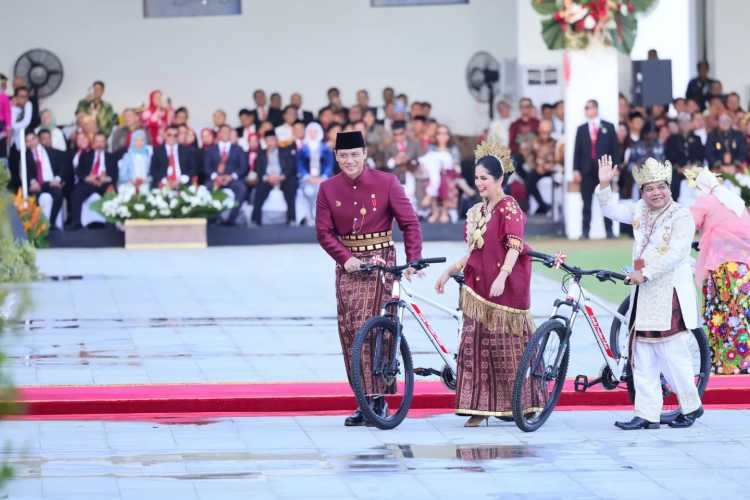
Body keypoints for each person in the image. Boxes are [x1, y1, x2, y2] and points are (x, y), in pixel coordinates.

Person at [316, 130, 422, 426]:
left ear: (364, 154)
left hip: (381, 264)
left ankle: (377, 400)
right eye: (343, 155)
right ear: (336, 157)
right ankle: (363, 399)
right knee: (349, 330)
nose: (349, 160)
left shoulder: (386, 182)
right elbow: (323, 233)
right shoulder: (327, 188)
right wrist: (345, 258)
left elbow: (409, 223)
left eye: (354, 154)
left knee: (370, 327)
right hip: (348, 265)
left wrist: (412, 259)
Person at [434, 140, 539, 426]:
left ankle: (521, 404)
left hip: (504, 290)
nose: (479, 183)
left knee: (506, 350)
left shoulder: (509, 208)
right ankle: (479, 408)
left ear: (500, 179)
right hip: (477, 290)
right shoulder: (477, 211)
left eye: (485, 178)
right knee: (474, 349)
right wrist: (448, 271)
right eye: (477, 178)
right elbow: (474, 251)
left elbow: (515, 246)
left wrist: (503, 276)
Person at [597, 155, 703, 429]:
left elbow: (678, 254)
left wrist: (645, 273)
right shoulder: (639, 211)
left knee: (672, 352)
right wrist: (605, 183)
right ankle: (647, 413)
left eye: (660, 187)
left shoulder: (681, 215)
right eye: (649, 188)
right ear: (642, 192)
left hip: (669, 293)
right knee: (642, 354)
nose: (656, 193)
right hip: (643, 293)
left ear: (669, 187)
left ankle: (691, 407)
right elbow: (610, 209)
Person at [685, 166, 750, 374]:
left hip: (722, 269)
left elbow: (686, 226)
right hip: (743, 268)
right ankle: (743, 362)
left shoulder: (705, 201)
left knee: (720, 315)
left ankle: (723, 364)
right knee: (740, 315)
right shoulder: (733, 199)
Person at [573, 99, 619, 239]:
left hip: (603, 170)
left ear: (596, 109)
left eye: (590, 107)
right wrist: (576, 169)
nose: (588, 110)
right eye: (586, 108)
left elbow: (615, 149)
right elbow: (577, 151)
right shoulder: (581, 129)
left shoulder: (608, 127)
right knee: (586, 203)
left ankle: (609, 231)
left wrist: (615, 167)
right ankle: (585, 231)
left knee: (606, 200)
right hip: (586, 170)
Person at [70, 132, 118, 228]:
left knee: (113, 192)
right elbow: (79, 171)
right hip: (89, 183)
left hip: (104, 183)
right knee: (77, 193)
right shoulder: (85, 155)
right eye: (97, 141)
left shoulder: (111, 157)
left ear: (105, 143)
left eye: (102, 141)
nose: (99, 144)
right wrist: (87, 178)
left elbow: (115, 174)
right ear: (93, 143)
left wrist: (106, 178)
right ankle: (76, 222)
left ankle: (111, 223)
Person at [204, 124, 247, 224]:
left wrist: (231, 177)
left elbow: (243, 167)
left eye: (228, 132)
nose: (225, 134)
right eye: (223, 132)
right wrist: (216, 177)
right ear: (218, 134)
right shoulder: (210, 150)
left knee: (242, 189)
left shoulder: (238, 149)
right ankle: (213, 218)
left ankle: (231, 219)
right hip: (216, 179)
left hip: (232, 179)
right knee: (207, 188)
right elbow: (206, 168)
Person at [252, 130, 297, 225]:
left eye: (272, 140)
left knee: (290, 188)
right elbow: (258, 169)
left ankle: (292, 219)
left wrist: (281, 177)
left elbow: (290, 167)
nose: (270, 143)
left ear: (276, 141)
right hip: (268, 179)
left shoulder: (285, 151)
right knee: (259, 191)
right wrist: (267, 178)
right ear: (265, 142)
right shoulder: (261, 154)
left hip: (282, 178)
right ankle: (255, 219)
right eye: (268, 140)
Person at [297, 123, 334, 225]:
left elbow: (329, 164)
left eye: (314, 132)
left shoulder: (325, 148)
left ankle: (319, 217)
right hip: (307, 179)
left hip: (322, 178)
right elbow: (299, 164)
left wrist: (323, 177)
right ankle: (309, 216)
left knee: (320, 192)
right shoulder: (303, 148)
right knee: (308, 191)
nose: (312, 134)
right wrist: (307, 176)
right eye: (310, 131)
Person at [665, 114, 705, 200]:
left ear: (690, 124)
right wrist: (679, 168)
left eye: (687, 122)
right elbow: (669, 157)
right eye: (682, 122)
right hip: (679, 170)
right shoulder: (671, 139)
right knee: (673, 182)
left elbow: (701, 155)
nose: (685, 125)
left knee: (704, 179)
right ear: (678, 124)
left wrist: (693, 166)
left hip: (694, 169)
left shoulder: (697, 138)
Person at [0, 74, 11, 158]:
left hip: (1, 127)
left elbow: (7, 114)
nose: (4, 86)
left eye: (5, 84)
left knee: (2, 156)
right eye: (3, 84)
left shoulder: (4, 97)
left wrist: (8, 132)